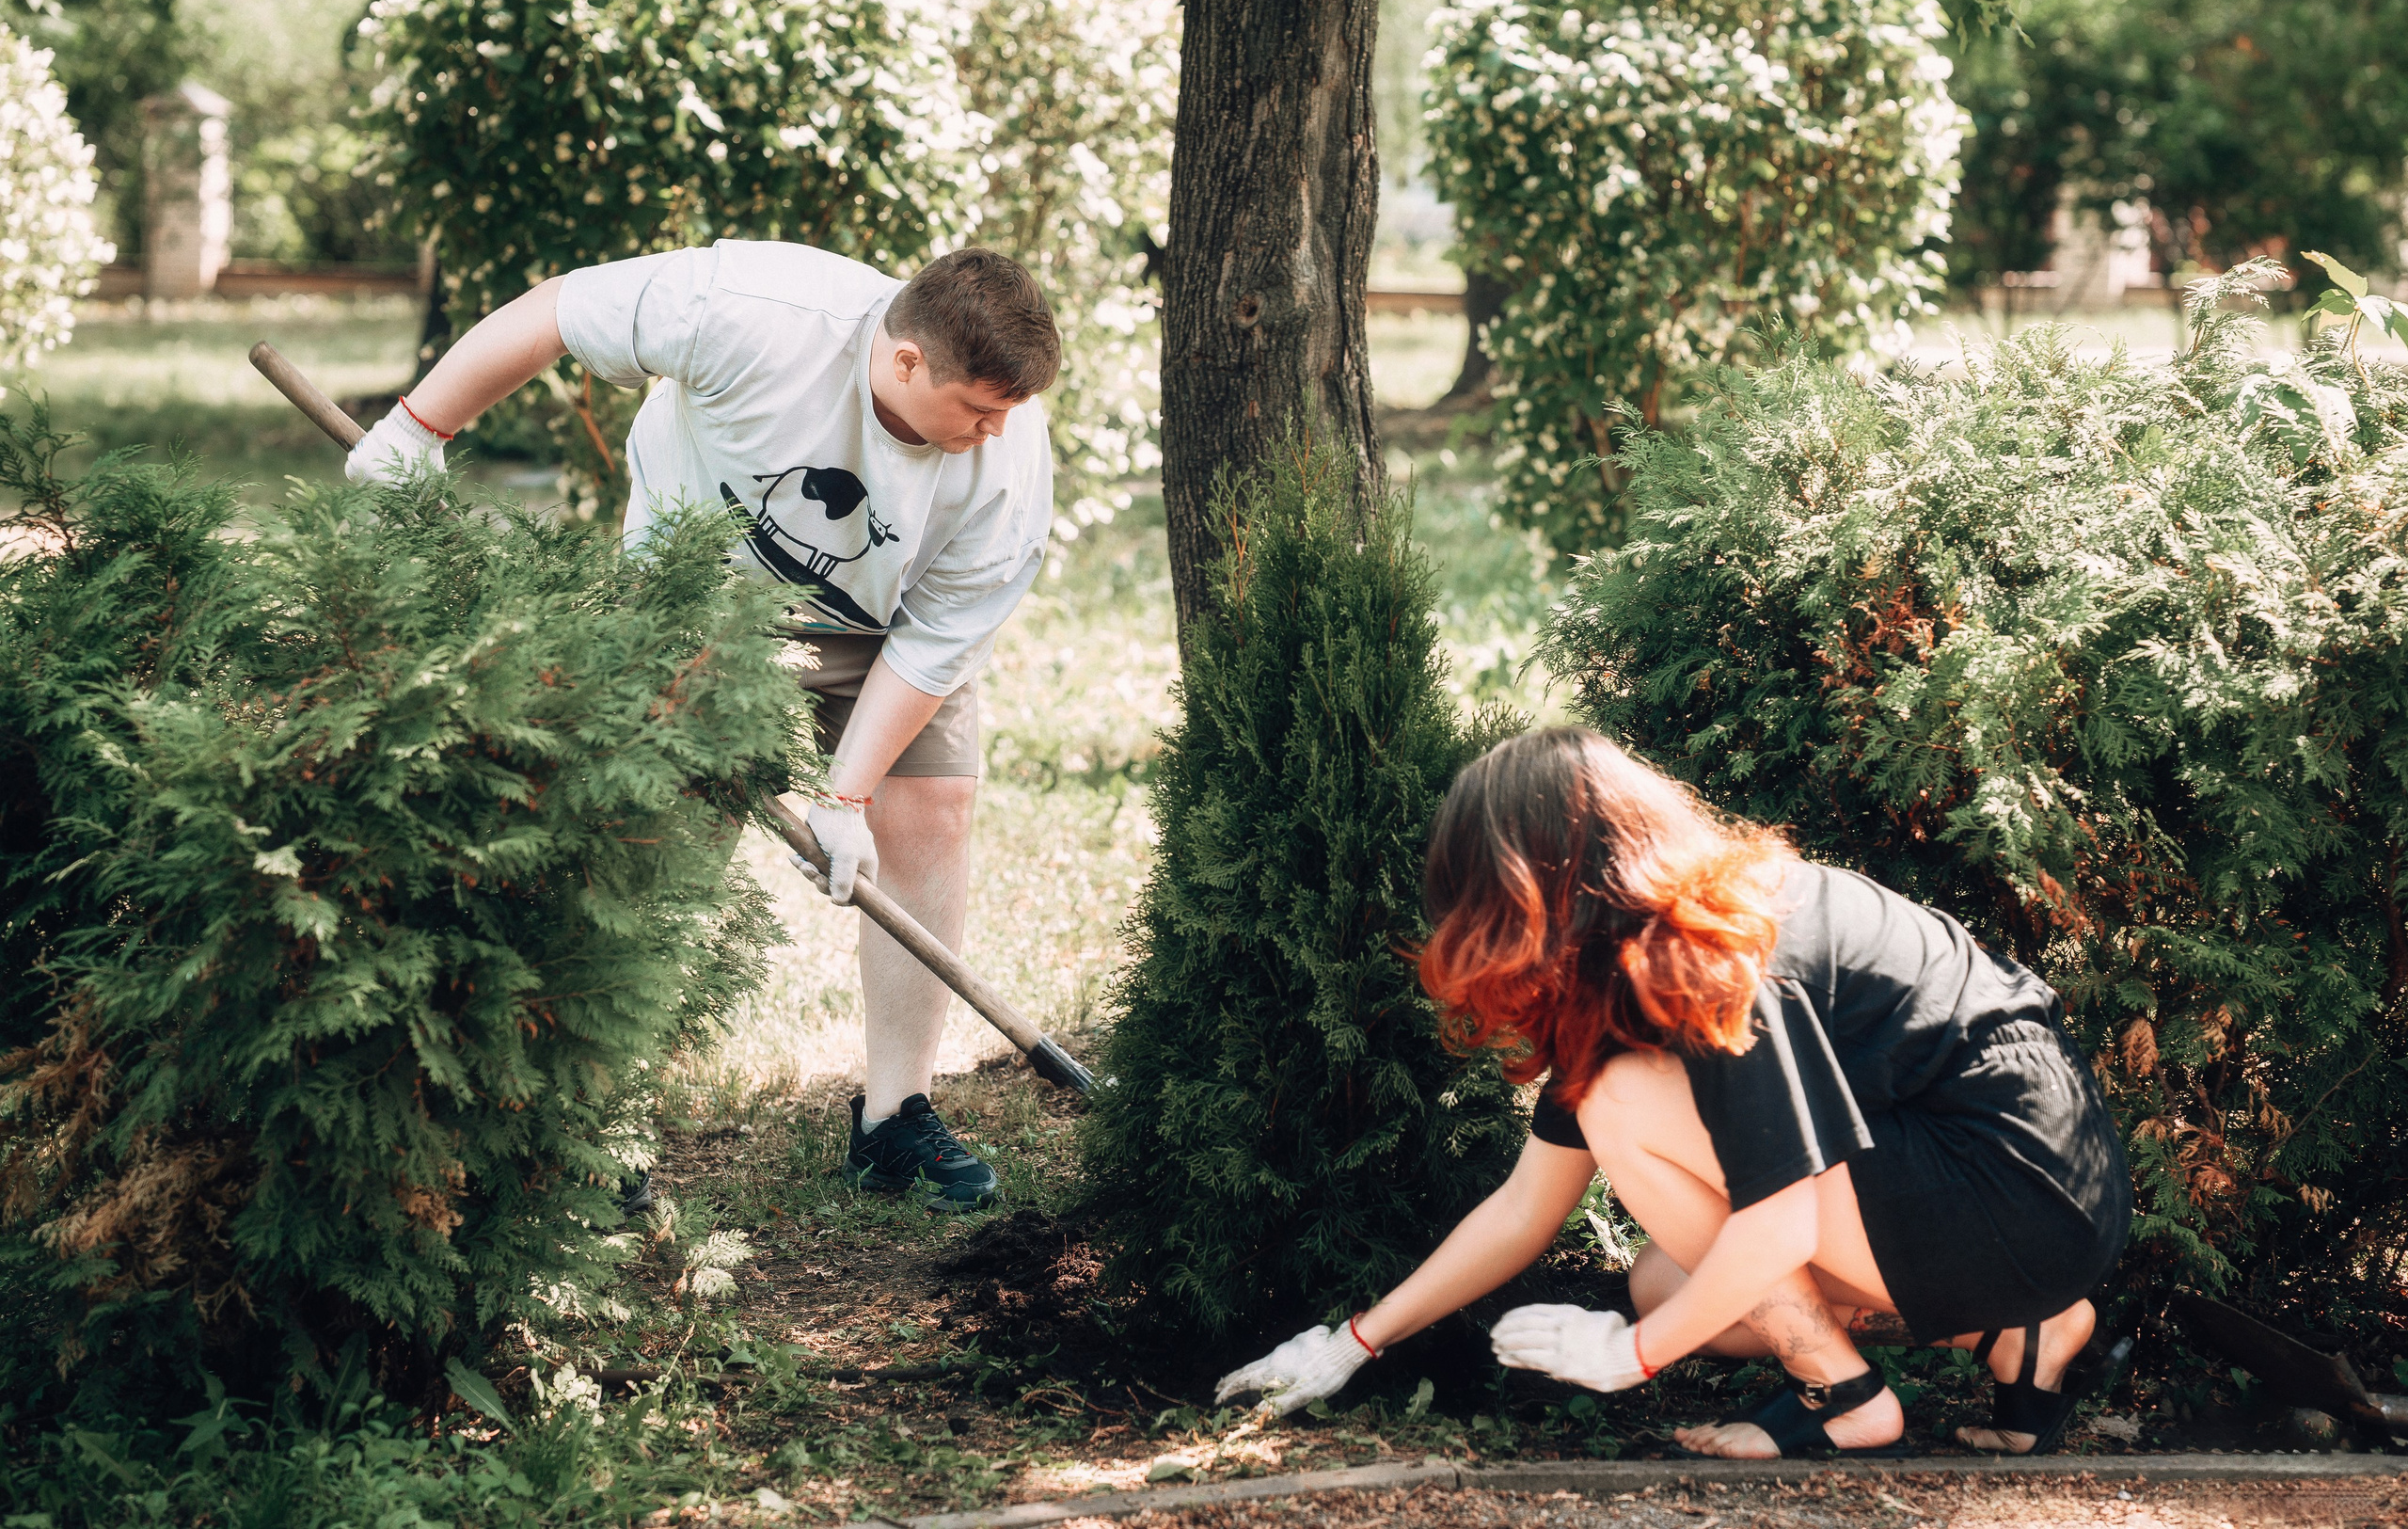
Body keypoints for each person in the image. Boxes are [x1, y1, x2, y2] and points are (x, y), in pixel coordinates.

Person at [345, 241, 1060, 1214]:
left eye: (1006, 412)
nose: (995, 430)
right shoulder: (754, 309)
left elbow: (934, 648)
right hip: (700, 594)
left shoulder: (1007, 467)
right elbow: (559, 309)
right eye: (978, 409)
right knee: (669, 836)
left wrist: (845, 796)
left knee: (930, 810)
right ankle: (598, 1118)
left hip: (884, 631)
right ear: (905, 361)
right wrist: (416, 427)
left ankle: (895, 1121)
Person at [1215, 727, 2131, 1458]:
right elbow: (1525, 1207)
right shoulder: (1635, 961)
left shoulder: (1707, 956)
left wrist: (1626, 1358)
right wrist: (1349, 1344)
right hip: (2011, 1204)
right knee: (1666, 1285)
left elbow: (1781, 1227)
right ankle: (2021, 1335)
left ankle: (1847, 1400)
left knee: (1625, 1125)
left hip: (2019, 1192)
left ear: (1548, 894)